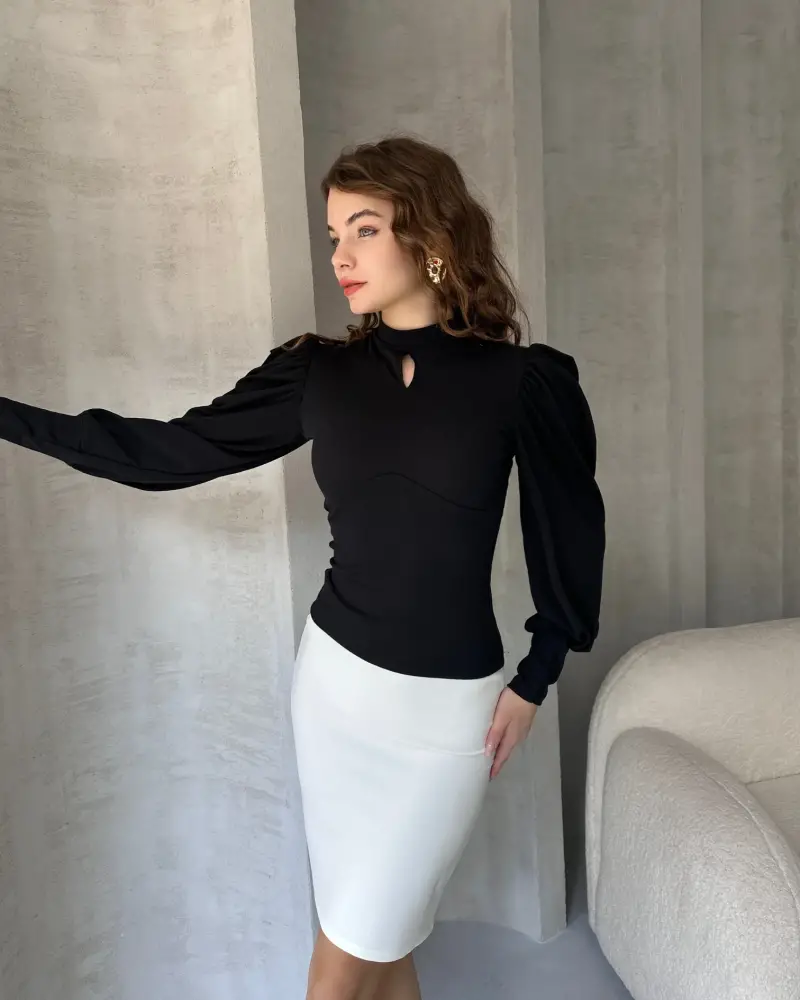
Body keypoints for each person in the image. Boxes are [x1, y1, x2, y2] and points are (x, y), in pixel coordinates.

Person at [0, 134, 606, 1000]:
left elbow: (568, 530)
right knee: (376, 943)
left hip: (448, 716)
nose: (340, 257)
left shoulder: (521, 383)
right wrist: (11, 417)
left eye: (365, 229)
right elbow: (170, 452)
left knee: (363, 938)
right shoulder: (317, 374)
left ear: (430, 232)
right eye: (332, 236)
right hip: (335, 696)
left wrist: (538, 676)